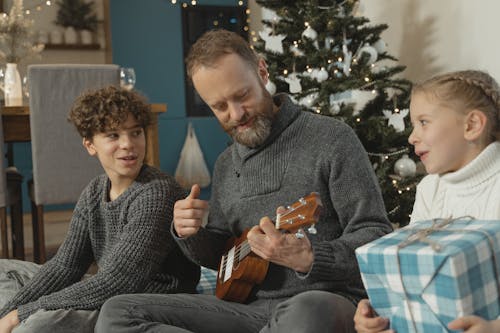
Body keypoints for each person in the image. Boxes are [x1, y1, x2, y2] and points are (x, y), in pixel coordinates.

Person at [95, 29, 393, 333]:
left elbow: (375, 234)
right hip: (246, 312)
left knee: (307, 310)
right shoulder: (227, 163)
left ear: (261, 72)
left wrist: (310, 256)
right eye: (219, 107)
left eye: (242, 96)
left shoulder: (331, 138)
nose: (236, 114)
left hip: (323, 302)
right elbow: (224, 257)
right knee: (119, 311)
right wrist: (192, 233)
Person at [0, 86, 200, 333]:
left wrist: (22, 314)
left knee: (35, 327)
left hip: (142, 303)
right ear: (90, 145)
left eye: (136, 132)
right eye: (113, 135)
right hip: (106, 290)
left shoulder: (157, 192)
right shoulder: (95, 191)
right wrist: (7, 314)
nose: (128, 144)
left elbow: (119, 281)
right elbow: (66, 266)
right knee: (4, 270)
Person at [353, 70, 500, 333]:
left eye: (423, 122)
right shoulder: (430, 189)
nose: (411, 137)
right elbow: (412, 267)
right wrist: (380, 312)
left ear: (471, 125)